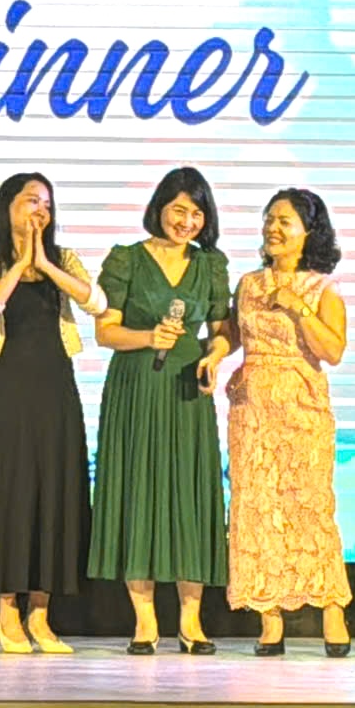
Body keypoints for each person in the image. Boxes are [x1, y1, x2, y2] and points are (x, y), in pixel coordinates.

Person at [90, 167, 233, 654]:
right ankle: (145, 622)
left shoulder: (211, 264)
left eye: (197, 214)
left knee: (190, 494)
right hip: (137, 386)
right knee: (139, 491)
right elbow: (105, 331)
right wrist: (149, 337)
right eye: (179, 210)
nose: (187, 222)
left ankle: (191, 622)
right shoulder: (126, 259)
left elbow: (222, 330)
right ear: (159, 208)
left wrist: (215, 356)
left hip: (188, 387)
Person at [0, 172, 99, 654]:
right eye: (30, 201)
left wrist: (44, 264)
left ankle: (41, 615)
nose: (40, 211)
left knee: (55, 495)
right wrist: (21, 264)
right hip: (8, 392)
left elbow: (97, 301)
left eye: (46, 204)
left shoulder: (65, 259)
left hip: (56, 390)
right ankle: (7, 615)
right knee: (11, 494)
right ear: (8, 207)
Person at [219, 187, 352, 656]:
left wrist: (297, 306)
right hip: (252, 407)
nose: (272, 229)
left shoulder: (323, 288)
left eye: (284, 221)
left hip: (302, 407)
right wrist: (214, 354)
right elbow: (233, 334)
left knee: (309, 505)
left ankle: (332, 609)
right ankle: (269, 616)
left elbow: (332, 350)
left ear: (308, 231)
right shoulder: (249, 284)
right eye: (269, 219)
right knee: (258, 507)